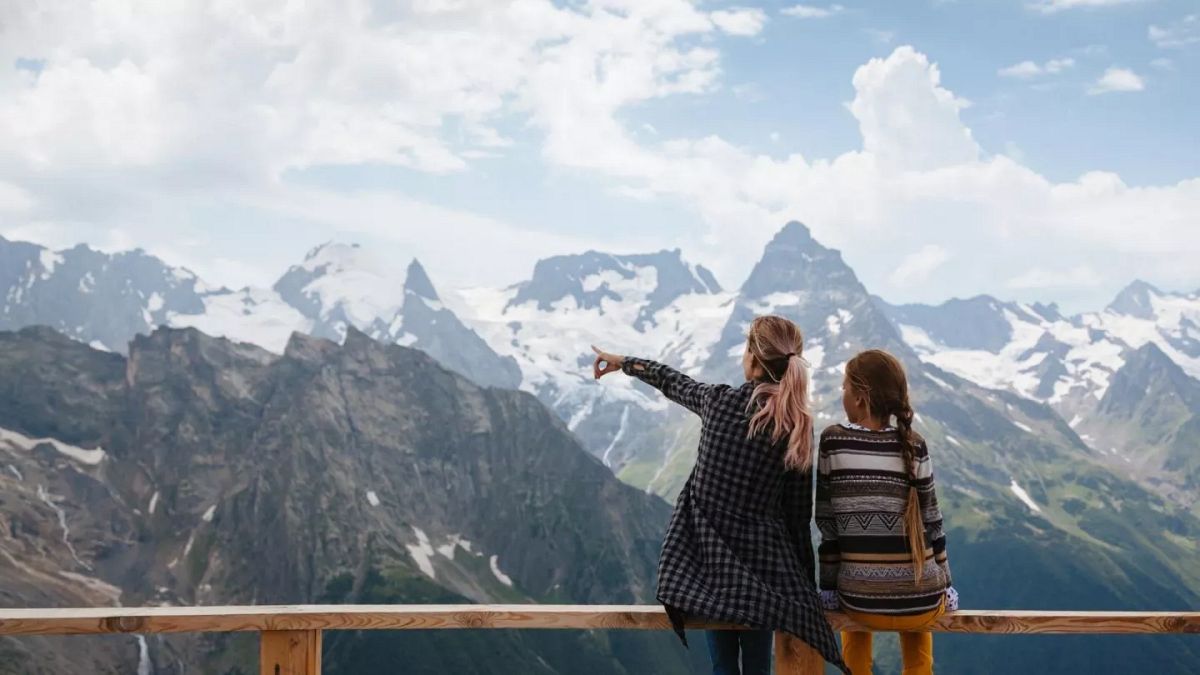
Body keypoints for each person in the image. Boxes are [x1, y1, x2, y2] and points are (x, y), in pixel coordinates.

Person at [592, 315, 846, 675]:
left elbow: (671, 381)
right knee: (757, 666)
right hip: (763, 577)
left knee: (722, 666)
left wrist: (624, 363)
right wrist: (804, 588)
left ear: (753, 359)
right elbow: (796, 518)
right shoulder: (796, 427)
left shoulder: (718, 403)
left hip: (708, 569)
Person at [816, 349, 958, 675]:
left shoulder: (833, 441)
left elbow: (828, 526)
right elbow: (934, 522)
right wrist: (947, 585)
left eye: (844, 389)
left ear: (861, 397)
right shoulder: (915, 444)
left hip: (860, 601)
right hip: (924, 600)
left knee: (857, 626)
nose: (842, 396)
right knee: (919, 629)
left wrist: (827, 589)